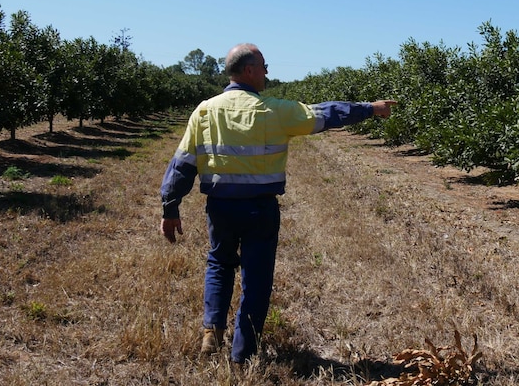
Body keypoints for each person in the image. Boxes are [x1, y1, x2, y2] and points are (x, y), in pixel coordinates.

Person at [159, 43, 395, 363]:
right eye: (264, 66)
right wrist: (370, 108)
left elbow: (183, 163)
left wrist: (170, 207)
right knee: (256, 280)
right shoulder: (274, 110)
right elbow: (325, 113)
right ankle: (243, 355)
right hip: (259, 208)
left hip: (221, 207)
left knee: (219, 264)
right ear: (249, 70)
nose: (267, 73)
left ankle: (211, 333)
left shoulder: (205, 110)